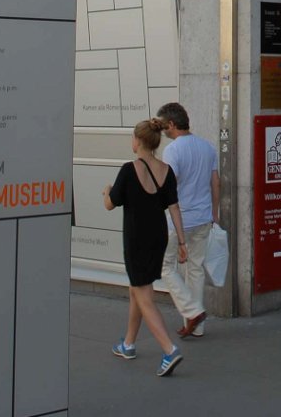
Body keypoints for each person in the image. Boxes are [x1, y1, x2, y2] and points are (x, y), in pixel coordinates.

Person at [102, 118, 187, 377]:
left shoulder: (129, 170)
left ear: (138, 141)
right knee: (136, 289)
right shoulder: (166, 170)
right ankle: (128, 344)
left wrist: (106, 190)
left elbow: (110, 204)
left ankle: (169, 349)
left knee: (144, 295)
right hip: (158, 237)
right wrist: (182, 242)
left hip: (136, 238)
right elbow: (174, 208)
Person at [157, 101, 219, 339]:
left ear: (171, 124)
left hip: (180, 220)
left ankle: (192, 312)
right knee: (195, 269)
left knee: (165, 266)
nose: (163, 131)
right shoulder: (207, 146)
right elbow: (216, 183)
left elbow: (169, 186)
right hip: (203, 217)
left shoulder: (173, 150)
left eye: (164, 126)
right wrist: (214, 214)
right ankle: (197, 326)